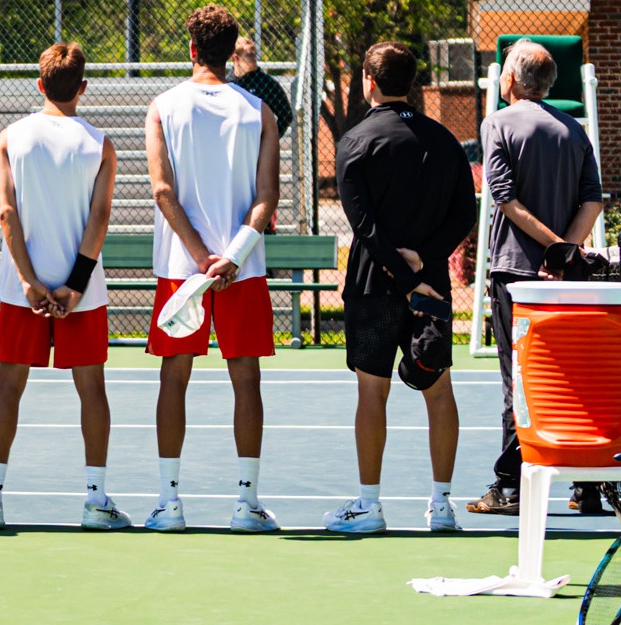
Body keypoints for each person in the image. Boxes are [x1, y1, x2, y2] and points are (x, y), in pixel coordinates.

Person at [0, 42, 130, 532]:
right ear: (83, 88)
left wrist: (31, 283)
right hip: (84, 291)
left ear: (39, 85)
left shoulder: (11, 137)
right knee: (92, 390)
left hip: (22, 293)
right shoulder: (100, 143)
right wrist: (74, 286)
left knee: (7, 389)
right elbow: (99, 218)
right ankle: (97, 502)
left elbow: (6, 213)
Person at [323, 42, 474, 534]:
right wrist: (424, 264)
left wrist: (404, 271)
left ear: (369, 81)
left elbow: (364, 227)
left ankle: (369, 506)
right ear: (409, 81)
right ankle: (442, 504)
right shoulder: (444, 140)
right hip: (429, 286)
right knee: (439, 389)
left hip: (373, 285)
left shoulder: (355, 142)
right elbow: (464, 216)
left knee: (372, 392)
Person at [144, 4, 281, 534]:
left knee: (173, 378)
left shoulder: (163, 106)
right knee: (246, 380)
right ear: (232, 52)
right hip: (240, 270)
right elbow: (266, 200)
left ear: (194, 49)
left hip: (184, 268)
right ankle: (246, 505)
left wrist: (201, 258)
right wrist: (229, 257)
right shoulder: (260, 111)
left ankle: (168, 503)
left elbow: (161, 191)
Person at [466, 39, 604, 516]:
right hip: (569, 279)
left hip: (516, 273)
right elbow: (593, 198)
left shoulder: (498, 123)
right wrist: (568, 250)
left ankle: (513, 485)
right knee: (573, 378)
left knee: (519, 381)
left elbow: (503, 197)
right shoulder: (573, 129)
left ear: (510, 80)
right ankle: (587, 483)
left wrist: (552, 248)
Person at [230, 36, 294, 137]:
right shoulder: (228, 83)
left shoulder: (266, 83)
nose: (254, 58)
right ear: (236, 58)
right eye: (249, 55)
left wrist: (268, 140)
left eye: (255, 55)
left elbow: (286, 115)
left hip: (258, 142)